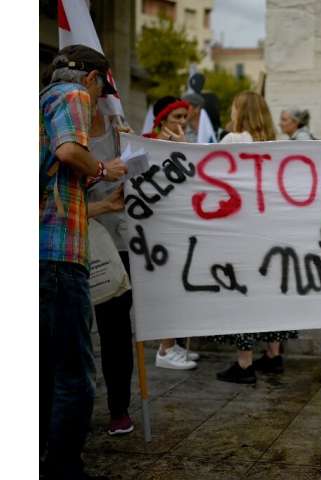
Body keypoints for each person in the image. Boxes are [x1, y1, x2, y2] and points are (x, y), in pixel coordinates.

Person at [40, 44, 128, 480]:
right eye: (101, 88)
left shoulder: (40, 104)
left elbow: (52, 198)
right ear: (91, 79)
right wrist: (102, 170)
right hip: (58, 258)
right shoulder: (72, 97)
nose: (97, 99)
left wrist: (101, 205)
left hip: (41, 251)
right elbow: (70, 153)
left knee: (42, 368)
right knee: (74, 371)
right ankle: (63, 467)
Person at [213, 91, 298, 384]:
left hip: (240, 231)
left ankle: (245, 363)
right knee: (270, 294)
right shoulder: (279, 146)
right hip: (272, 233)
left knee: (242, 295)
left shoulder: (232, 141)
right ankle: (273, 355)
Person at [86, 108, 136, 436]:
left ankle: (119, 408)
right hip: (74, 241)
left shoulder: (120, 128)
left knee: (116, 330)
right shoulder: (56, 132)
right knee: (69, 334)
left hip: (118, 242)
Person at [143, 96, 201, 369]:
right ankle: (165, 350)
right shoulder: (151, 144)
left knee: (180, 286)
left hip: (178, 224)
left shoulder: (175, 141)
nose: (182, 122)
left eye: (184, 116)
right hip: (160, 228)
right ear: (162, 119)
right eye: (176, 117)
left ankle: (173, 343)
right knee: (168, 288)